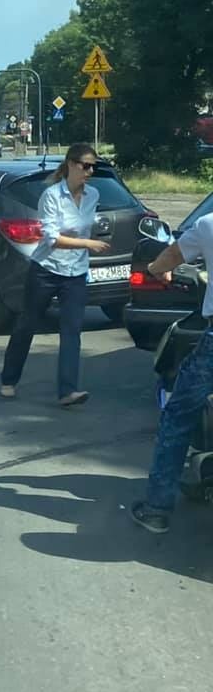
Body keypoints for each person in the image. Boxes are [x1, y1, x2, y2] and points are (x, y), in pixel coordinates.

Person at [0, 142, 110, 406]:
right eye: (85, 166)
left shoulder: (93, 195)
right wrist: (88, 244)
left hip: (76, 272)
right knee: (27, 325)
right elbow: (51, 239)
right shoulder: (51, 196)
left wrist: (87, 243)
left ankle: (67, 391)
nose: (90, 171)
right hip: (46, 270)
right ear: (71, 165)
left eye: (93, 166)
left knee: (72, 331)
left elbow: (83, 229)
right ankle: (9, 378)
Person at [130, 211, 213, 533]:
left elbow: (171, 257)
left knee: (178, 415)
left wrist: (155, 269)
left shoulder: (207, 224)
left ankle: (156, 508)